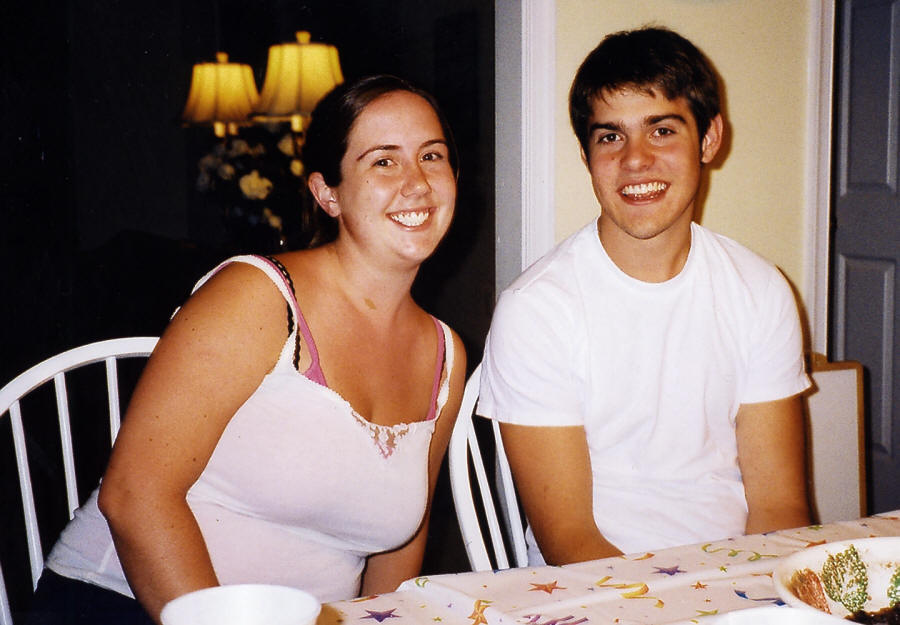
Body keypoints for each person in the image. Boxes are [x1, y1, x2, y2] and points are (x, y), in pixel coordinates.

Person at [28, 74, 467, 625]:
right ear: (327, 193)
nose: (417, 182)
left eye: (431, 156)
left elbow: (399, 544)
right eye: (383, 161)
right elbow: (134, 495)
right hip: (128, 604)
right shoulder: (257, 296)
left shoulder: (445, 354)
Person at [477, 26, 811, 566]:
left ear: (709, 139)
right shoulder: (537, 310)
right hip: (597, 587)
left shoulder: (760, 289)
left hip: (736, 577)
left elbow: (779, 506)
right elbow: (571, 542)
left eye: (661, 131)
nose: (635, 160)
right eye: (610, 137)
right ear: (586, 155)